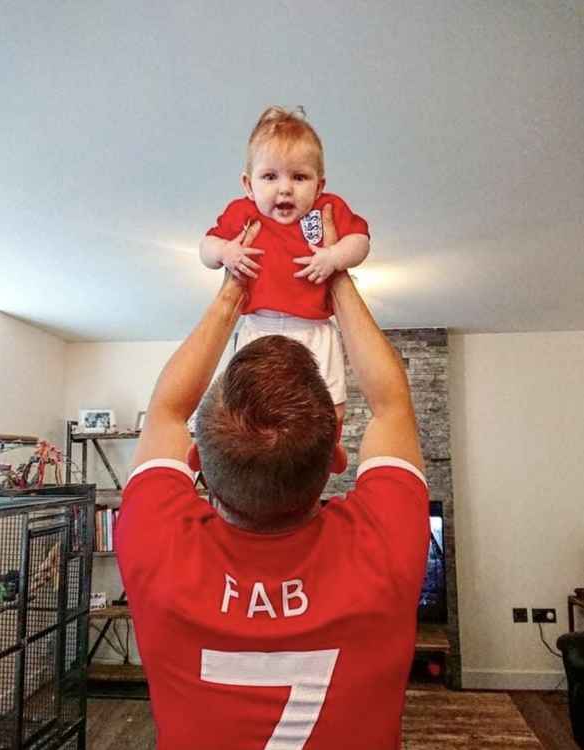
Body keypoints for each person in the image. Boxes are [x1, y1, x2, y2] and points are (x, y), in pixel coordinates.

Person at [116, 209, 430, 749]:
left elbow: (165, 410)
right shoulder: (386, 550)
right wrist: (337, 276)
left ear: (196, 462)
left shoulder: (155, 548)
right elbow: (392, 404)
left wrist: (231, 292)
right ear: (338, 456)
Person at [199, 106, 370, 468]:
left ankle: (330, 447)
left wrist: (334, 256)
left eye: (299, 177)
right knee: (243, 395)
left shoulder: (328, 208)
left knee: (332, 395)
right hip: (258, 324)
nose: (285, 189)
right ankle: (235, 450)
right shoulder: (241, 214)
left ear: (320, 185)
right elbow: (206, 248)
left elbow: (361, 242)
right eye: (270, 177)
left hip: (314, 326)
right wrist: (226, 251)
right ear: (248, 184)